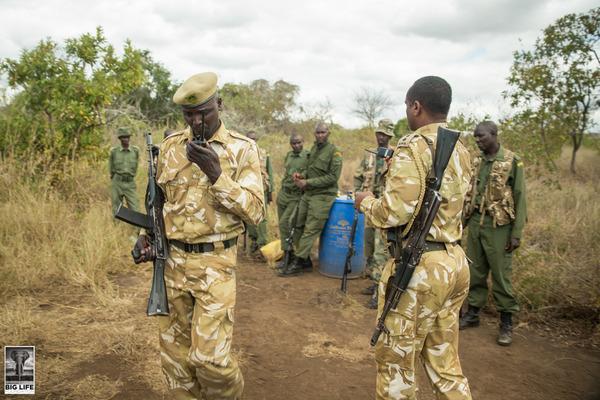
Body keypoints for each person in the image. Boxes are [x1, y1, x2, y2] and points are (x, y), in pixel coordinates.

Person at [133, 72, 264, 400]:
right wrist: (146, 235)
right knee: (175, 358)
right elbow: (158, 201)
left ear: (219, 104)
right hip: (173, 265)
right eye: (189, 114)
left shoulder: (242, 150)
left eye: (203, 112)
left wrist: (216, 173)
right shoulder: (170, 147)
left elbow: (256, 211)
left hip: (215, 264)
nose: (196, 121)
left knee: (210, 359)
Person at [355, 76, 473, 399]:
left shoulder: (413, 146)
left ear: (416, 106)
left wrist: (365, 202)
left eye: (407, 106)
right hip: (454, 262)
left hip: (420, 269)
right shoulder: (462, 151)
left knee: (396, 367)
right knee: (445, 365)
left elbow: (394, 212)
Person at [460, 120, 527, 347]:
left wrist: (516, 233)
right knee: (475, 271)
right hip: (477, 223)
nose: (478, 141)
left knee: (500, 274)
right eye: (476, 137)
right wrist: (462, 223)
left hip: (499, 227)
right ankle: (473, 314)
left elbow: (520, 197)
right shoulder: (477, 161)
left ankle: (506, 322)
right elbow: (470, 193)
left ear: (494, 135)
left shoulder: (511, 160)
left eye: (482, 137)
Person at [278, 122, 342, 276]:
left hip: (323, 196)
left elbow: (333, 178)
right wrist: (301, 176)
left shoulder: (334, 152)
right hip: (309, 194)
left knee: (310, 229)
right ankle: (305, 260)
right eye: (318, 132)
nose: (320, 135)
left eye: (323, 132)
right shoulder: (313, 149)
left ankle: (298, 261)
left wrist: (307, 182)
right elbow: (309, 170)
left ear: (328, 133)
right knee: (296, 223)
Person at [354, 118, 394, 309]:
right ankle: (374, 281)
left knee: (381, 251)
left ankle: (381, 291)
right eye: (379, 133)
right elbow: (358, 176)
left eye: (384, 134)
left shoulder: (395, 155)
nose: (380, 137)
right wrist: (357, 195)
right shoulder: (370, 156)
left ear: (390, 136)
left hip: (384, 209)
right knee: (369, 246)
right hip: (369, 207)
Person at [275, 133, 309, 270]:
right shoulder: (289, 155)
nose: (296, 145)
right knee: (282, 224)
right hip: (284, 194)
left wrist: (302, 176)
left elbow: (311, 174)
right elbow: (286, 173)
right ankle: (286, 254)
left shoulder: (308, 156)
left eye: (299, 142)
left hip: (296, 196)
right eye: (293, 143)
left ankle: (293, 255)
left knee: (286, 223)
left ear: (303, 141)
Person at [245, 130, 274, 255]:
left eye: (254, 139)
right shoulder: (242, 154)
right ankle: (254, 240)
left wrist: (271, 192)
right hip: (247, 189)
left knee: (262, 217)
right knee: (249, 216)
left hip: (262, 189)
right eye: (250, 139)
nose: (253, 142)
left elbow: (270, 173)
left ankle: (262, 242)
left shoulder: (263, 154)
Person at [109, 127, 140, 216]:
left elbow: (136, 166)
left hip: (130, 182)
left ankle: (136, 229)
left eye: (127, 137)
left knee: (135, 207)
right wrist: (114, 180)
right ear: (120, 139)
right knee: (116, 207)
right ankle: (116, 228)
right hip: (117, 182)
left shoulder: (135, 151)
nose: (125, 139)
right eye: (123, 137)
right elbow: (111, 168)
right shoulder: (114, 151)